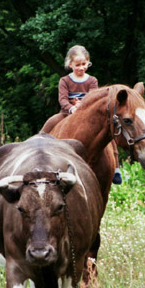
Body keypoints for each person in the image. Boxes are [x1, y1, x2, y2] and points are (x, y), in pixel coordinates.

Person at [47, 45, 122, 184]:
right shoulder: (65, 81)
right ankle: (37, 154)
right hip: (67, 114)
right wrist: (71, 108)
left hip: (87, 114)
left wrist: (81, 106)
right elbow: (62, 99)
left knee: (109, 131)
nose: (81, 68)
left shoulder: (92, 80)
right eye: (77, 65)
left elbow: (92, 98)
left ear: (88, 62)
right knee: (49, 124)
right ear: (70, 64)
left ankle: (116, 167)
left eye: (84, 64)